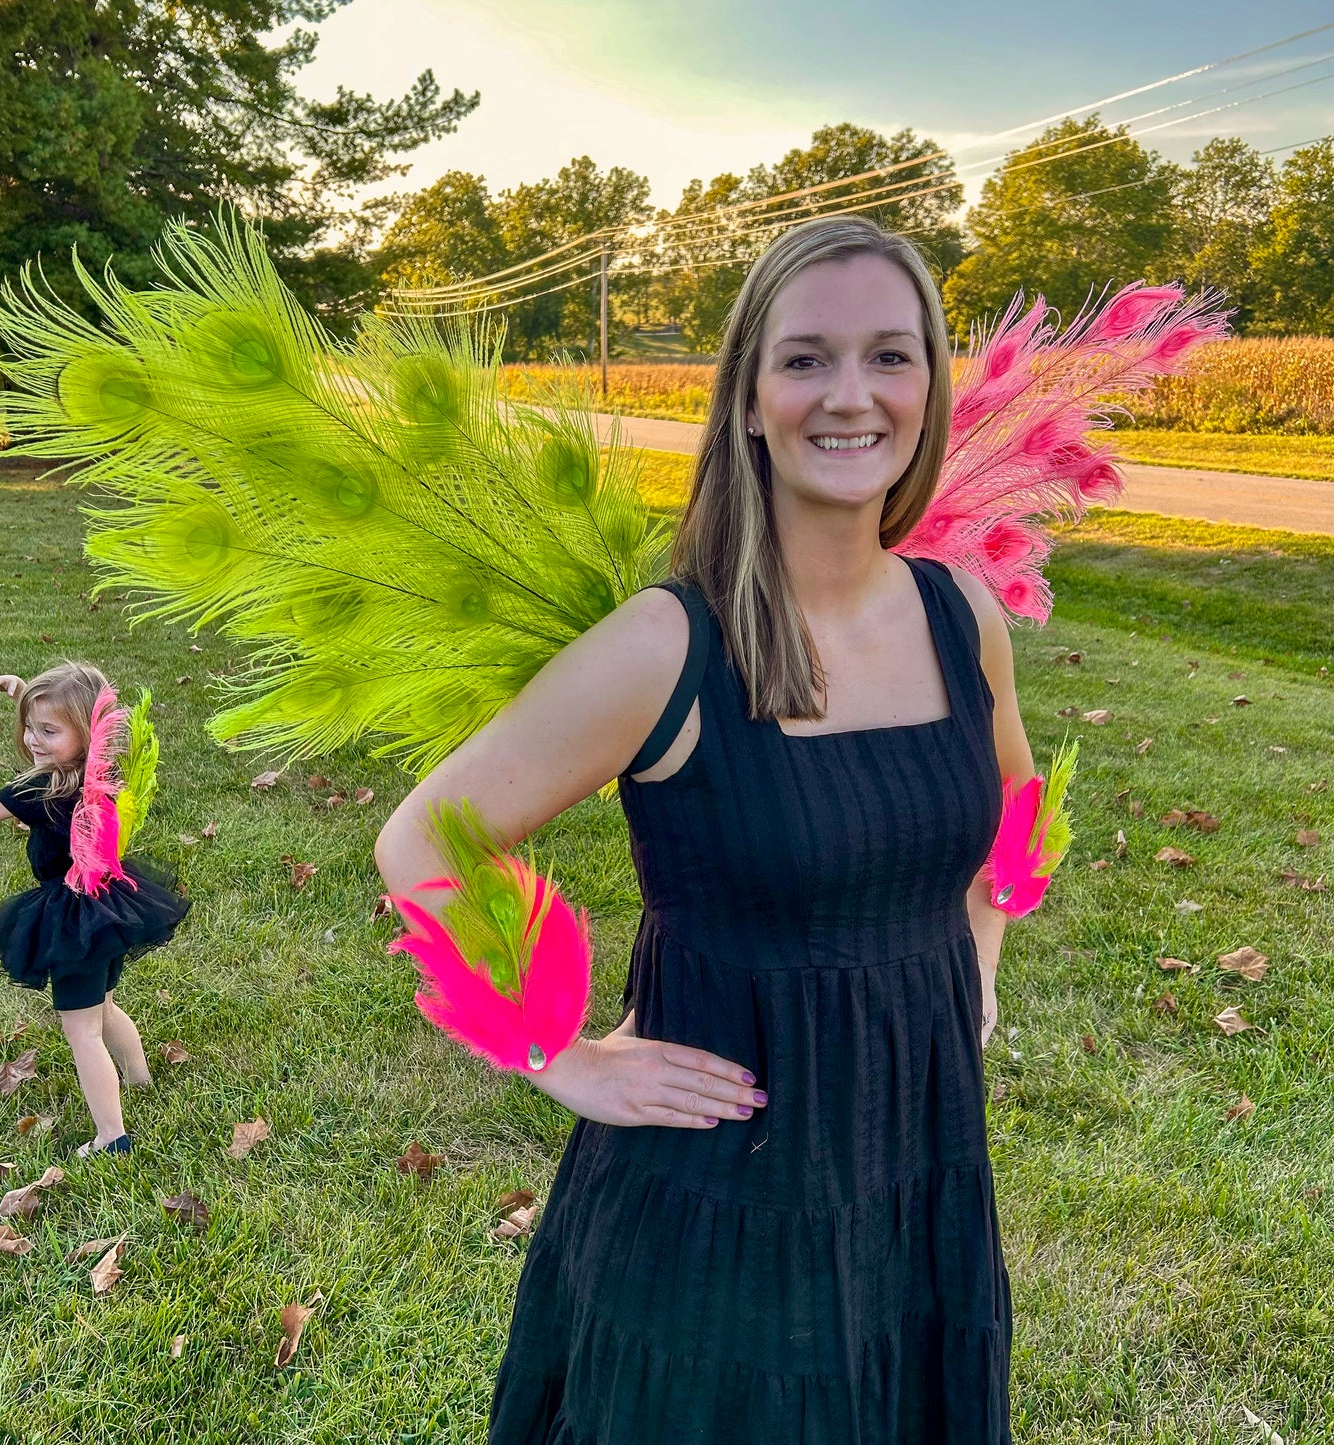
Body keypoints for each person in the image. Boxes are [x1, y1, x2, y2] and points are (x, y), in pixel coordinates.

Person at [375, 217, 1035, 1442]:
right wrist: (550, 1051)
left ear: (930, 386)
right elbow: (419, 841)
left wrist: (976, 975)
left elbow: (1007, 810)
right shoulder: (663, 647)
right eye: (804, 359)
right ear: (743, 397)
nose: (851, 396)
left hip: (915, 1159)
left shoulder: (962, 615)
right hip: (721, 1196)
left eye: (890, 355)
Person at [0, 662, 188, 1157]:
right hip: (110, 905)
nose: (33, 740)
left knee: (81, 1031)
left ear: (85, 730)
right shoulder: (98, 772)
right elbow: (62, 721)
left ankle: (111, 1135)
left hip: (73, 918)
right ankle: (140, 1079)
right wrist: (20, 690)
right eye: (29, 727)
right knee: (104, 1007)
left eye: (48, 731)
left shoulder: (42, 788)